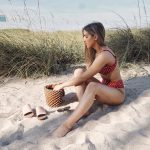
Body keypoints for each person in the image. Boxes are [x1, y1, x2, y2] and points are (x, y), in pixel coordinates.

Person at [52, 22, 125, 138]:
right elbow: (82, 75)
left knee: (91, 85)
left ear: (95, 37)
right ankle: (84, 110)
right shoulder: (96, 53)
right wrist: (64, 84)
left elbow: (83, 79)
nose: (83, 39)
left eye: (86, 36)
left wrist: (62, 85)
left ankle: (67, 125)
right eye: (83, 36)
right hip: (105, 88)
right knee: (78, 71)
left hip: (117, 92)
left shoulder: (104, 55)